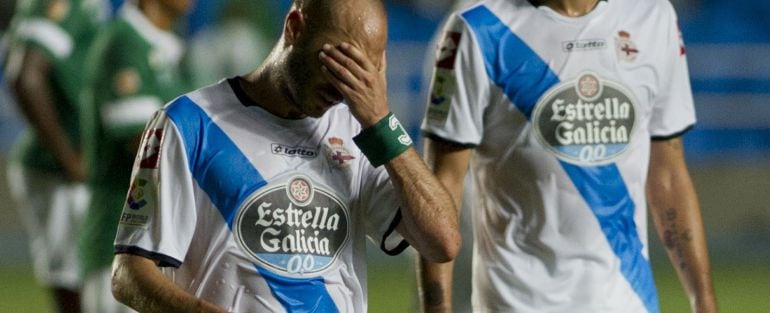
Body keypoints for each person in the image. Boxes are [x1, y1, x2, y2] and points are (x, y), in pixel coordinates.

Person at [110, 0, 461, 312]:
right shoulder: (188, 123)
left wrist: (382, 123)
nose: (342, 88)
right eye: (335, 62)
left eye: (359, 73)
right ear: (294, 27)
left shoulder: (359, 132)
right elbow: (130, 274)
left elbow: (442, 241)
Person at [418, 0, 718, 312]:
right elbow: (443, 186)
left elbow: (668, 175)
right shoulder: (477, 28)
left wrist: (704, 300)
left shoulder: (653, 17)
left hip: (627, 301)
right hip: (517, 302)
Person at [78, 0, 192, 311]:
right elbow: (141, 145)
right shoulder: (124, 42)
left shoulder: (163, 47)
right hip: (120, 243)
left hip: (157, 248)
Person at [3, 0, 107, 311]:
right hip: (56, 169)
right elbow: (26, 75)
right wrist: (69, 158)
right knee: (74, 278)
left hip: (72, 162)